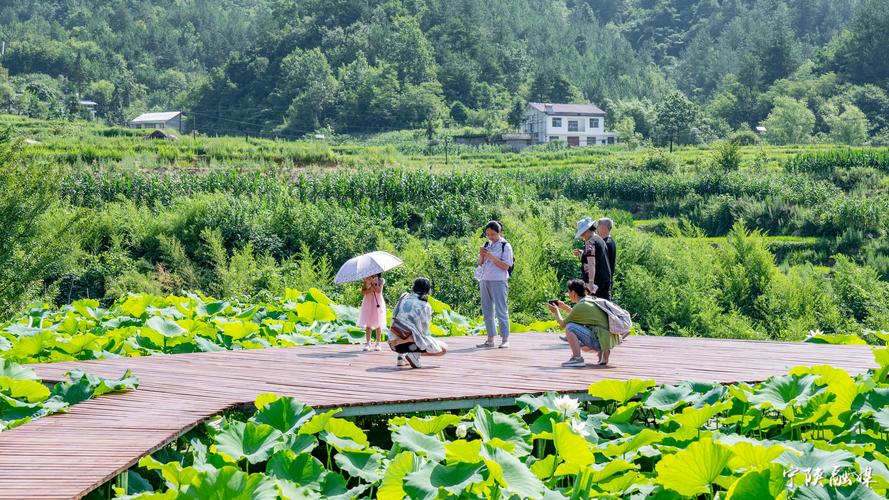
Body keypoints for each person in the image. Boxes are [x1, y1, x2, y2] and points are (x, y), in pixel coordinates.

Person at [547, 279, 621, 367]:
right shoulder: (590, 300)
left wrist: (556, 311)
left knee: (570, 327)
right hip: (607, 340)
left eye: (569, 292)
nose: (568, 295)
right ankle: (604, 354)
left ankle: (577, 359)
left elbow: (562, 325)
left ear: (574, 293)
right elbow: (579, 314)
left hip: (600, 342)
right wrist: (565, 308)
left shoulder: (580, 306)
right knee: (575, 328)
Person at [389, 278, 448, 368]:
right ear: (427, 290)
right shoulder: (425, 306)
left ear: (413, 288)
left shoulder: (404, 296)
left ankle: (401, 356)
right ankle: (414, 355)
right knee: (443, 349)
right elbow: (424, 331)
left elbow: (394, 315)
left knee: (412, 336)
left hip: (394, 342)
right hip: (410, 344)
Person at [474, 221, 514, 349]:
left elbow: (506, 266)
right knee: (487, 310)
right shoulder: (486, 244)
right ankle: (490, 339)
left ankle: (505, 339)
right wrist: (482, 255)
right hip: (484, 279)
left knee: (501, 309)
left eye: (493, 234)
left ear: (500, 232)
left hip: (499, 280)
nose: (490, 237)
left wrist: (491, 256)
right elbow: (480, 263)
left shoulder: (505, 246)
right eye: (488, 234)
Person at [573, 217, 612, 300]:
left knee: (595, 308)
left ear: (587, 230)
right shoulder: (599, 239)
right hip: (605, 279)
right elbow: (597, 256)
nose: (582, 236)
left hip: (597, 282)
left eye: (582, 233)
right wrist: (583, 253)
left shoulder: (590, 242)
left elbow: (592, 263)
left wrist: (591, 283)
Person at [358, 274, 386, 351]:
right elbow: (363, 292)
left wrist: (373, 283)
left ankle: (378, 343)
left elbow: (379, 291)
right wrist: (369, 289)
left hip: (377, 302)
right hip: (368, 302)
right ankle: (368, 343)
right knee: (368, 322)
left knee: (378, 322)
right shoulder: (366, 280)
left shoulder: (381, 280)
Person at [597, 218, 617, 283]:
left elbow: (598, 261)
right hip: (605, 281)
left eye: (599, 225)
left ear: (604, 227)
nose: (597, 227)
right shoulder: (610, 241)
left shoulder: (606, 243)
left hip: (603, 283)